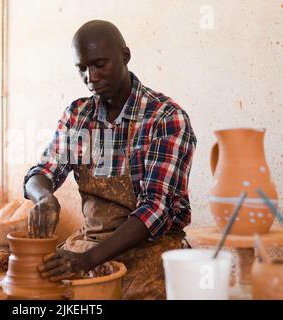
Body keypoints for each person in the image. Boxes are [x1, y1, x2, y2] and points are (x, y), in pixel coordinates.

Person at [23, 20, 197, 299]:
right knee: (38, 291)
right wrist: (43, 197)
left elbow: (155, 210)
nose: (91, 77)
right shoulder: (79, 115)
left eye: (100, 64)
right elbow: (42, 170)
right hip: (90, 243)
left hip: (150, 248)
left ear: (125, 56)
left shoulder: (165, 118)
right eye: (82, 68)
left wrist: (86, 262)